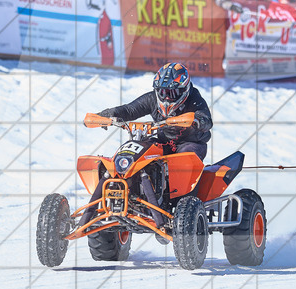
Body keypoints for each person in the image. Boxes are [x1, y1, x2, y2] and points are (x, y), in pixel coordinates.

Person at [83, 62, 213, 229]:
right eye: (162, 92)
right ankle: (132, 193)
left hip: (190, 143)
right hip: (163, 141)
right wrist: (107, 115)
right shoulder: (152, 98)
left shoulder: (195, 99)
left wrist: (197, 121)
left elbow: (206, 119)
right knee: (139, 153)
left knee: (185, 159)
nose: (166, 97)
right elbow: (129, 110)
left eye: (172, 93)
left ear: (184, 91)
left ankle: (185, 208)